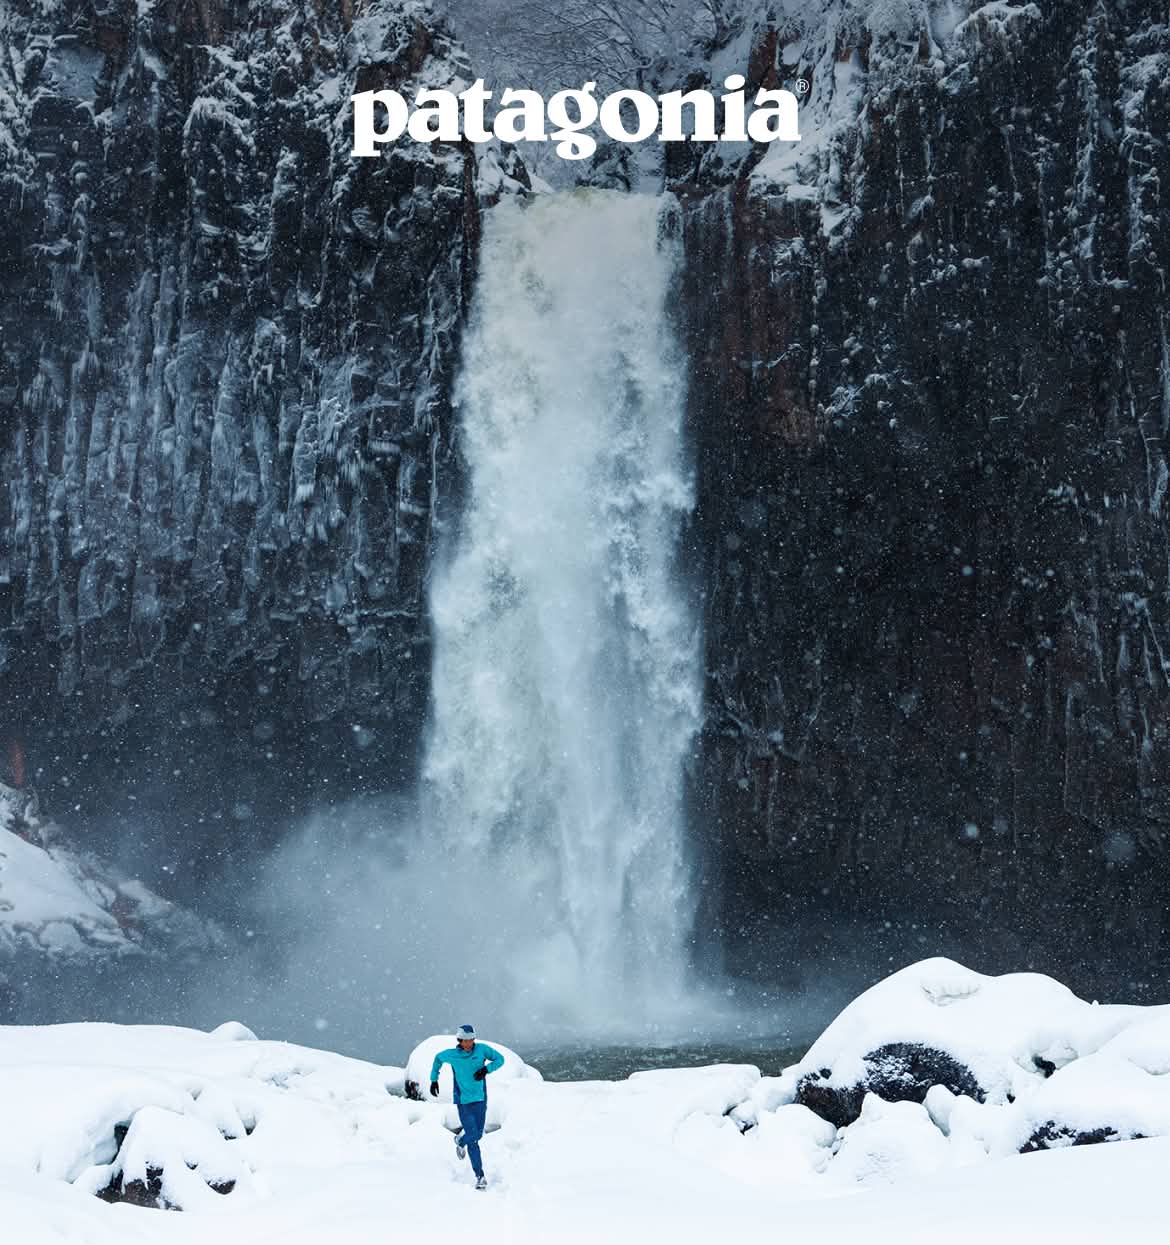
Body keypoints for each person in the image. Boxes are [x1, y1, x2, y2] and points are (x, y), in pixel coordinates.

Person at [429, 1024, 505, 1189]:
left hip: (480, 1099)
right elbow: (437, 1059)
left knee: (477, 1134)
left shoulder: (482, 1050)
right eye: (465, 1040)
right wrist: (434, 1079)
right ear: (459, 1040)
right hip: (463, 1101)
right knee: (474, 1138)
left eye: (471, 1039)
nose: (469, 1043)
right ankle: (480, 1176)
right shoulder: (452, 1055)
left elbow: (500, 1059)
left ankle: (460, 1140)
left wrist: (486, 1069)